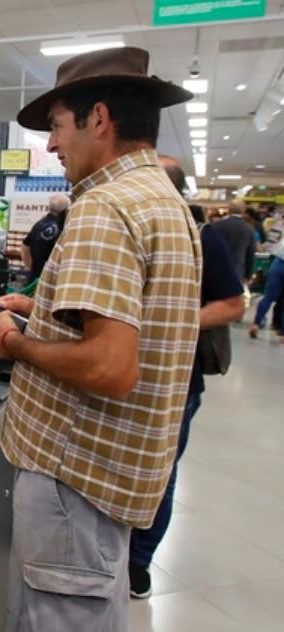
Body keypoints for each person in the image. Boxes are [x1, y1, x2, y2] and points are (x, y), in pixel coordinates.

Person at [0, 47, 200, 632]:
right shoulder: (160, 200)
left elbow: (110, 367)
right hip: (110, 478)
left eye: (56, 126)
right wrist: (44, 305)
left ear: (98, 119)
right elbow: (138, 320)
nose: (52, 145)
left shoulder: (104, 208)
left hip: (74, 480)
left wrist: (14, 341)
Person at [127, 156, 246, 598]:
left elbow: (233, 304)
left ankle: (138, 562)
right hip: (125, 373)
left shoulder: (202, 237)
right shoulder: (132, 228)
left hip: (177, 379)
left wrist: (176, 319)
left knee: (161, 470)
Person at [20, 193, 70, 280]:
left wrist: (28, 267)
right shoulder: (60, 228)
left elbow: (24, 246)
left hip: (34, 275)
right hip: (49, 278)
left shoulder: (39, 224)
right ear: (65, 211)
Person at [249, 220, 284, 342]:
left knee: (268, 297)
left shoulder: (278, 227)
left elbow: (271, 244)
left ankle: (256, 324)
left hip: (278, 263)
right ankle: (282, 334)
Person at [212, 198, 257, 283]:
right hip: (238, 272)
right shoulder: (249, 229)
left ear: (229, 209)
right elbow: (250, 254)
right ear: (244, 211)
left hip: (217, 270)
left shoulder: (217, 226)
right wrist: (248, 275)